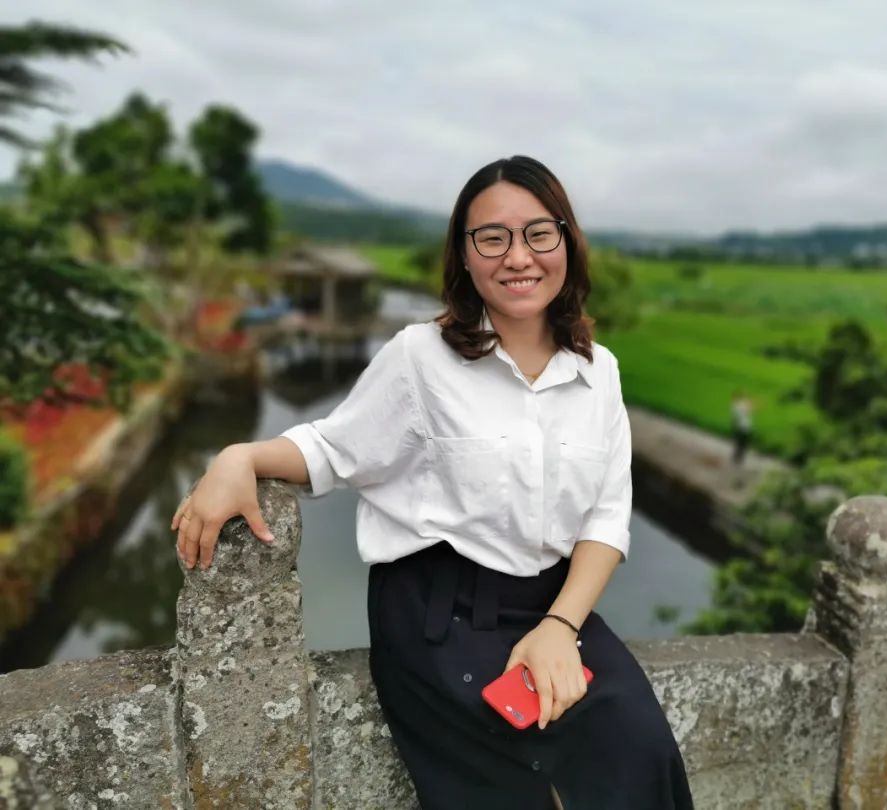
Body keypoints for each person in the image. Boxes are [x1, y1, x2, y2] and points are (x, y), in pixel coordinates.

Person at [172, 155, 694, 810]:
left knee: (642, 759)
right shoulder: (422, 356)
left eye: (539, 233)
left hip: (554, 602)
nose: (518, 256)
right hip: (438, 615)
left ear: (567, 242)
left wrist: (560, 625)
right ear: (465, 257)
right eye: (492, 238)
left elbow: (606, 518)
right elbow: (334, 449)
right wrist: (239, 456)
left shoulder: (599, 372)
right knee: (508, 792)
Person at [731, 390, 753, 467]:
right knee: (742, 443)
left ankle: (737, 457)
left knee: (741, 443)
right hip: (742, 427)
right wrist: (751, 404)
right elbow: (746, 410)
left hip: (742, 427)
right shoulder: (737, 406)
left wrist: (750, 404)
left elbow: (748, 407)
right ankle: (738, 458)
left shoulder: (737, 405)